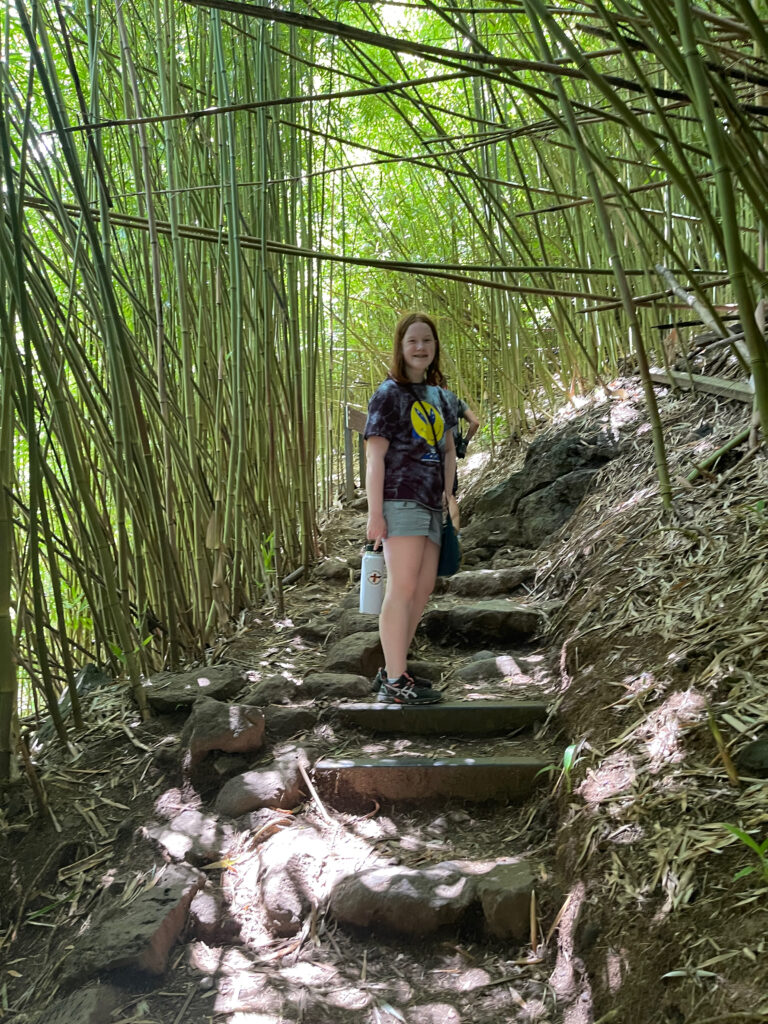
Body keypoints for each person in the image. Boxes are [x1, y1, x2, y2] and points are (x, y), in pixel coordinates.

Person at [364, 313, 457, 705]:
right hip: (400, 498)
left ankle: (392, 668)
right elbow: (375, 457)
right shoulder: (388, 394)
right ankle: (395, 681)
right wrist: (374, 512)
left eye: (428, 341)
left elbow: (449, 447)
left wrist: (450, 495)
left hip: (432, 503)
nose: (421, 348)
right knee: (401, 588)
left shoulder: (439, 396)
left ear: (435, 348)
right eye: (413, 341)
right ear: (401, 347)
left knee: (422, 588)